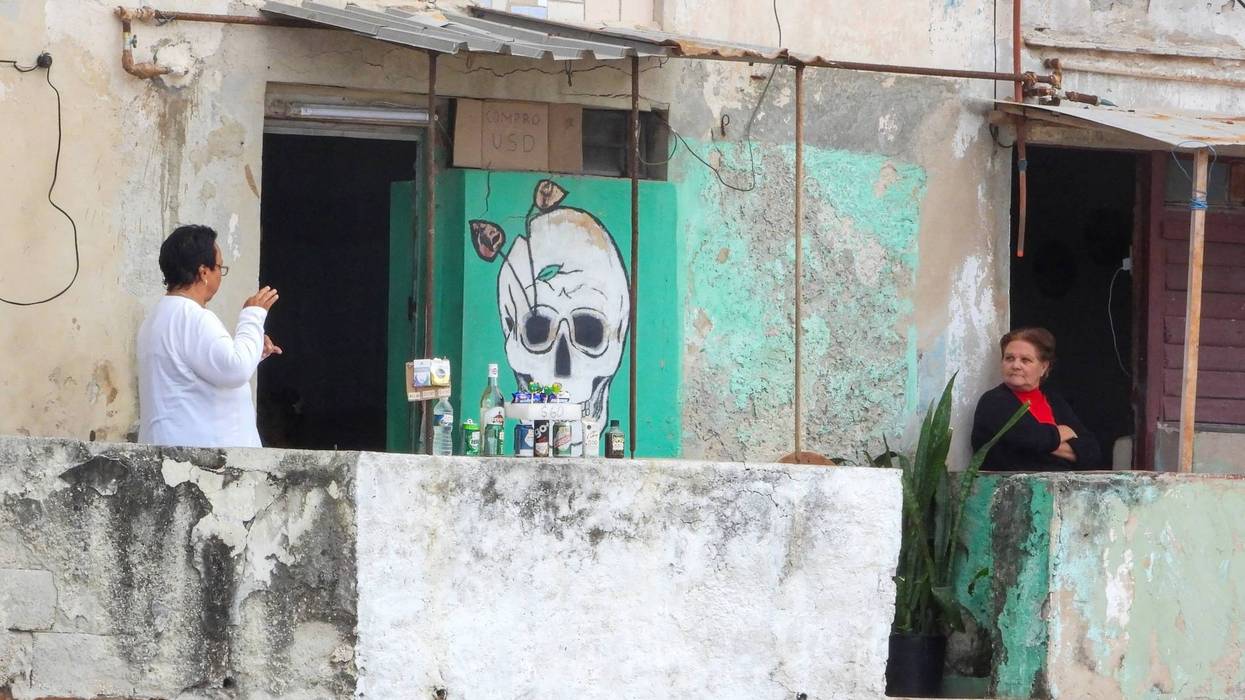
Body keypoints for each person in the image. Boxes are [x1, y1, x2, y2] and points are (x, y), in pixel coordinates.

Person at [137, 224, 282, 448]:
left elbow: (206, 369)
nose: (220, 276)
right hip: (203, 462)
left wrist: (254, 350)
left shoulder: (155, 318)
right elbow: (236, 369)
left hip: (169, 450)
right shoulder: (194, 317)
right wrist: (252, 316)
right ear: (204, 272)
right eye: (220, 268)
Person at [971, 327, 1100, 470]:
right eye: (1009, 358)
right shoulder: (993, 401)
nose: (1015, 365)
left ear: (1044, 367)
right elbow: (1028, 440)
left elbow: (1091, 452)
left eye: (1025, 360)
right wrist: (1060, 433)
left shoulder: (1054, 401)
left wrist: (1043, 443)